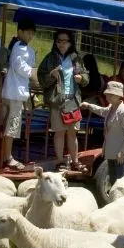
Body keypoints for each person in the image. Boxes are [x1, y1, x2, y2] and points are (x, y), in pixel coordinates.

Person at [38, 30, 89, 172]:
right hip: (57, 101)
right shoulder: (50, 58)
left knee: (73, 133)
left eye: (65, 41)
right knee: (59, 132)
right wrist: (52, 76)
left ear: (70, 42)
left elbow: (85, 76)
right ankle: (60, 161)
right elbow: (42, 78)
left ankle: (75, 161)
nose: (61, 43)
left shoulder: (76, 58)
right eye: (59, 41)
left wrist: (82, 79)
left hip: (73, 100)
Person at [80, 81, 124, 185]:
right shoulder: (111, 108)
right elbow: (102, 111)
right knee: (114, 183)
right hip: (111, 153)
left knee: (122, 185)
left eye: (110, 95)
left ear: (118, 96)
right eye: (107, 94)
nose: (107, 97)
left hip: (120, 156)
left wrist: (123, 152)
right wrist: (89, 106)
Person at [0, 18, 37, 171]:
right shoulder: (20, 47)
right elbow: (18, 66)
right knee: (12, 126)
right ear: (20, 32)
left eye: (32, 33)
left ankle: (5, 155)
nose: (30, 36)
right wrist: (33, 72)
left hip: (12, 91)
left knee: (8, 125)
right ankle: (8, 158)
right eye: (27, 33)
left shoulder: (17, 45)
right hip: (15, 93)